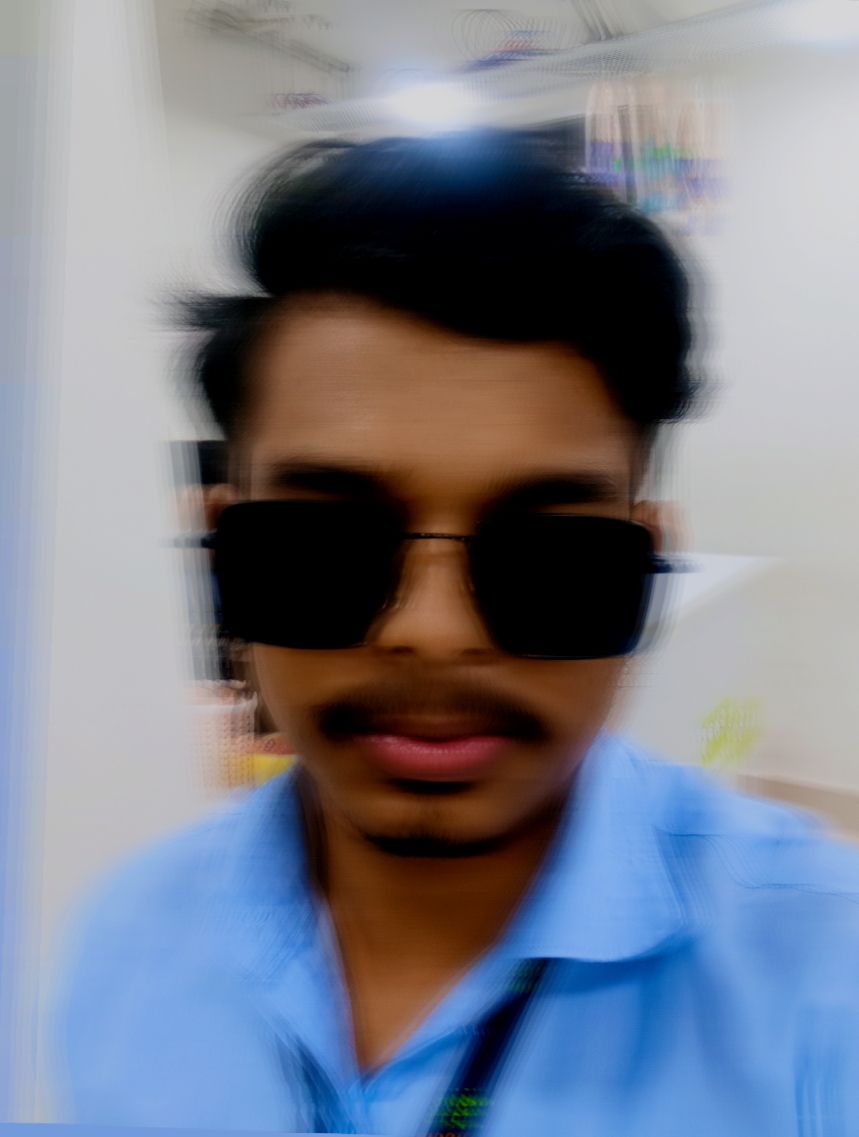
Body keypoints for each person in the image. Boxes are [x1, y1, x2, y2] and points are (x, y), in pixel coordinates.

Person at [49, 132, 859, 1137]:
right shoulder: (124, 946)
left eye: (549, 554)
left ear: (644, 573)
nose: (432, 632)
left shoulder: (822, 974)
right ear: (222, 552)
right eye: (326, 541)